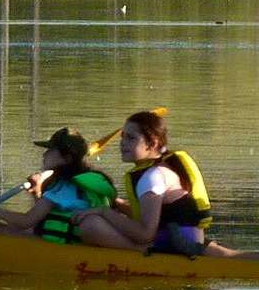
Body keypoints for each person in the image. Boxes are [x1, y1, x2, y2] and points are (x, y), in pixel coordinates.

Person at [68, 109, 226, 258]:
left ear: (152, 144)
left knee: (90, 225)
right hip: (190, 238)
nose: (122, 143)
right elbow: (149, 214)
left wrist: (103, 212)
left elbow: (145, 233)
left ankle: (138, 251)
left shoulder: (152, 177)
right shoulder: (166, 166)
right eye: (122, 137)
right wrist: (115, 203)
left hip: (176, 244)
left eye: (130, 138)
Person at [0, 128, 118, 243]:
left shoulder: (61, 187)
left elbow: (26, 221)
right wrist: (37, 191)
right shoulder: (88, 181)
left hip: (58, 247)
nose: (45, 154)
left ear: (67, 159)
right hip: (74, 241)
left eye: (51, 150)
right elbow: (41, 219)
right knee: (14, 227)